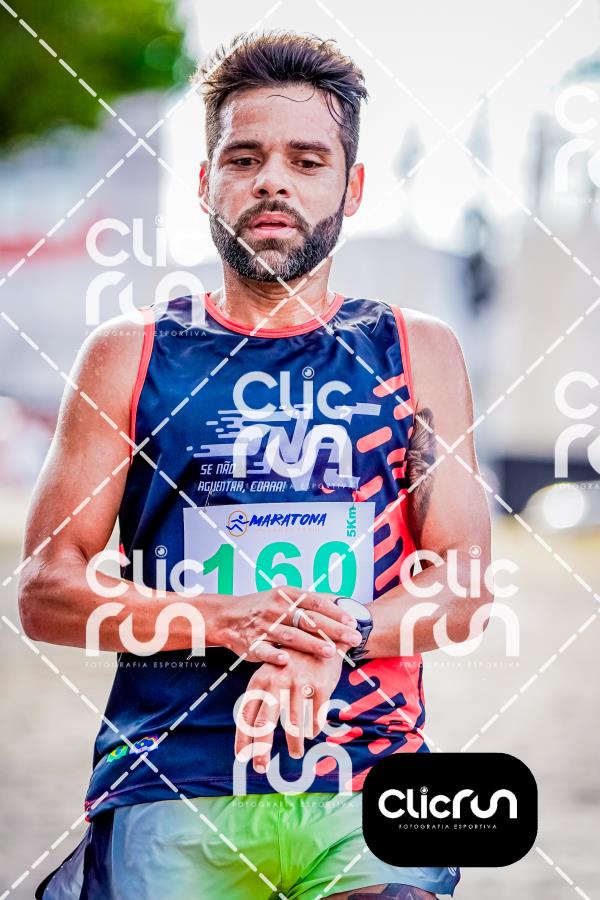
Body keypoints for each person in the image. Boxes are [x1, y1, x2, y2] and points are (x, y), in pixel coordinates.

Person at [21, 31, 492, 900]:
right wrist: (223, 620)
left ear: (351, 188)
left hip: (368, 782)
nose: (274, 180)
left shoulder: (417, 351)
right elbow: (46, 591)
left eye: (307, 160)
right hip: (172, 782)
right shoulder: (130, 352)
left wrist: (331, 636)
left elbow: (462, 590)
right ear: (206, 182)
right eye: (245, 158)